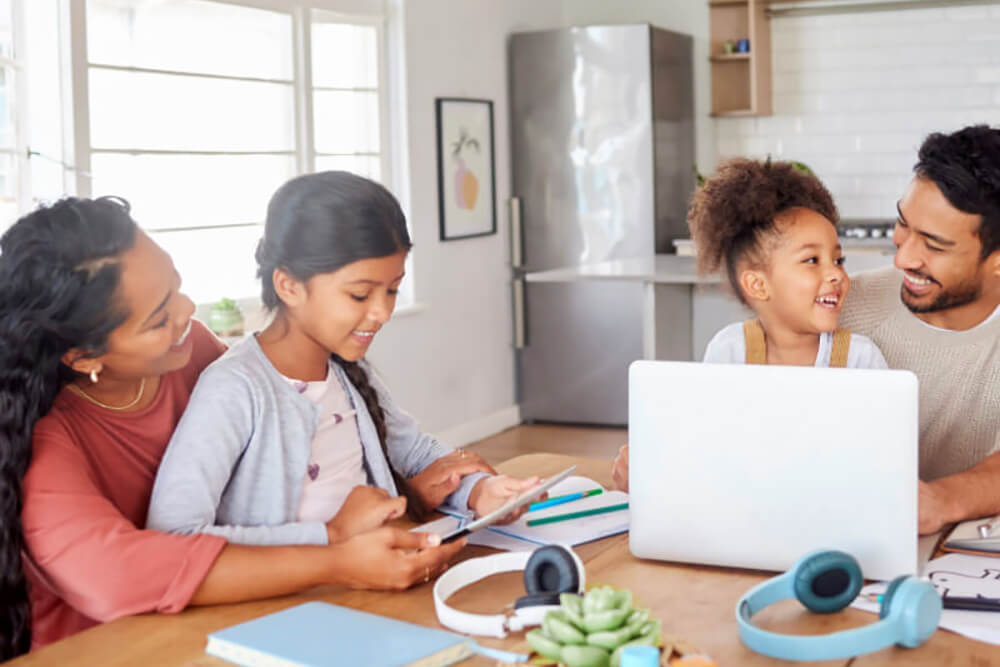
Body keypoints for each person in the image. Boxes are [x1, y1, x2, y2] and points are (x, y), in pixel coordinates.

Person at [1, 197, 476, 660]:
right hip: (113, 648)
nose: (188, 312)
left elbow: (274, 471)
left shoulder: (195, 354)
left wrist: (404, 488)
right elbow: (115, 579)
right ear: (84, 357)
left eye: (177, 287)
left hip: (225, 622)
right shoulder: (46, 445)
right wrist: (333, 546)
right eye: (159, 318)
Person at [146, 171, 538, 545]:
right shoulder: (235, 389)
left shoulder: (347, 373)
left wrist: (480, 494)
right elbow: (174, 533)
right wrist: (330, 537)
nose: (382, 312)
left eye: (393, 290)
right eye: (360, 294)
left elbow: (416, 454)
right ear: (289, 286)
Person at [611, 158, 887, 492]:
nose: (836, 274)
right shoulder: (730, 351)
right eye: (812, 260)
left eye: (838, 260)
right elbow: (707, 451)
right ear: (758, 285)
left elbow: (880, 461)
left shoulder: (860, 358)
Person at [838, 125, 1000, 535]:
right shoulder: (845, 307)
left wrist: (939, 501)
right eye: (903, 224)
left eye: (934, 244)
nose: (903, 257)